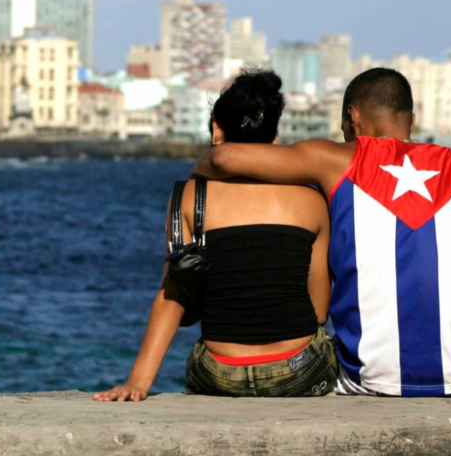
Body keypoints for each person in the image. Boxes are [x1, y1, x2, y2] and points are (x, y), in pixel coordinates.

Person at [192, 68, 451, 404]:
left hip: (361, 379)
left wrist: (199, 177)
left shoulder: (334, 160)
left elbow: (224, 158)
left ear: (352, 117)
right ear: (410, 122)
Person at [94, 70, 337, 400]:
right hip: (295, 370)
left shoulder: (190, 196)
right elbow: (319, 311)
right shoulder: (312, 200)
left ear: (216, 129)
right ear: (275, 138)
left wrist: (137, 382)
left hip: (221, 373)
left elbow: (173, 294)